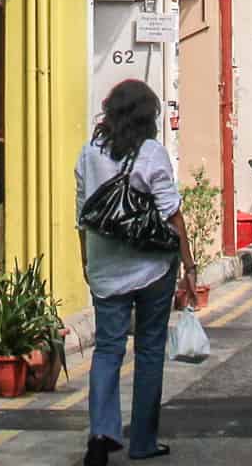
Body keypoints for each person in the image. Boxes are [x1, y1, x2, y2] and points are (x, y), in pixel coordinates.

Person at [76, 80, 197, 464]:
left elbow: (83, 213)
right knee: (148, 351)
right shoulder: (152, 153)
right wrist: (189, 266)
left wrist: (86, 260)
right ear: (149, 117)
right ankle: (143, 441)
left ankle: (100, 436)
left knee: (108, 350)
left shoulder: (90, 152)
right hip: (152, 267)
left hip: (105, 267)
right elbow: (171, 213)